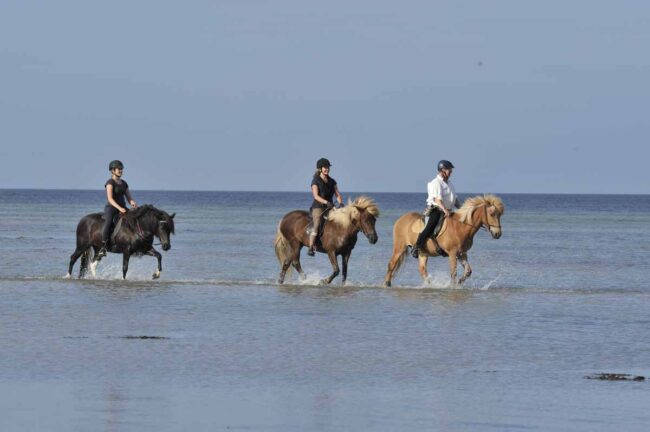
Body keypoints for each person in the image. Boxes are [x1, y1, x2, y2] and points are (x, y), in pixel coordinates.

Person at [411, 160, 461, 258]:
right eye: (449, 169)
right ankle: (417, 246)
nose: (451, 172)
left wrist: (463, 210)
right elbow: (437, 200)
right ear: (442, 170)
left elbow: (455, 200)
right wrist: (445, 210)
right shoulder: (436, 183)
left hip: (449, 211)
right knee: (430, 227)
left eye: (451, 170)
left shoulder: (450, 184)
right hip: (436, 209)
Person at [96, 160, 138, 258]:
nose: (121, 171)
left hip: (122, 208)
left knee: (134, 220)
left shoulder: (124, 183)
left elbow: (129, 197)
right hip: (111, 208)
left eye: (121, 169)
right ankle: (103, 247)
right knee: (108, 222)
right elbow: (110, 199)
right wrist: (119, 208)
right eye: (119, 169)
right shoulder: (110, 182)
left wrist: (132, 202)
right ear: (112, 170)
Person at [307, 157, 343, 256]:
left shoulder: (332, 181)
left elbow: (338, 195)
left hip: (330, 207)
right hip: (318, 207)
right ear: (320, 169)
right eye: (325, 167)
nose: (327, 169)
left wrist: (340, 203)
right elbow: (316, 196)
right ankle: (311, 247)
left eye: (328, 167)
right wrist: (326, 202)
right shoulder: (315, 181)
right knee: (317, 224)